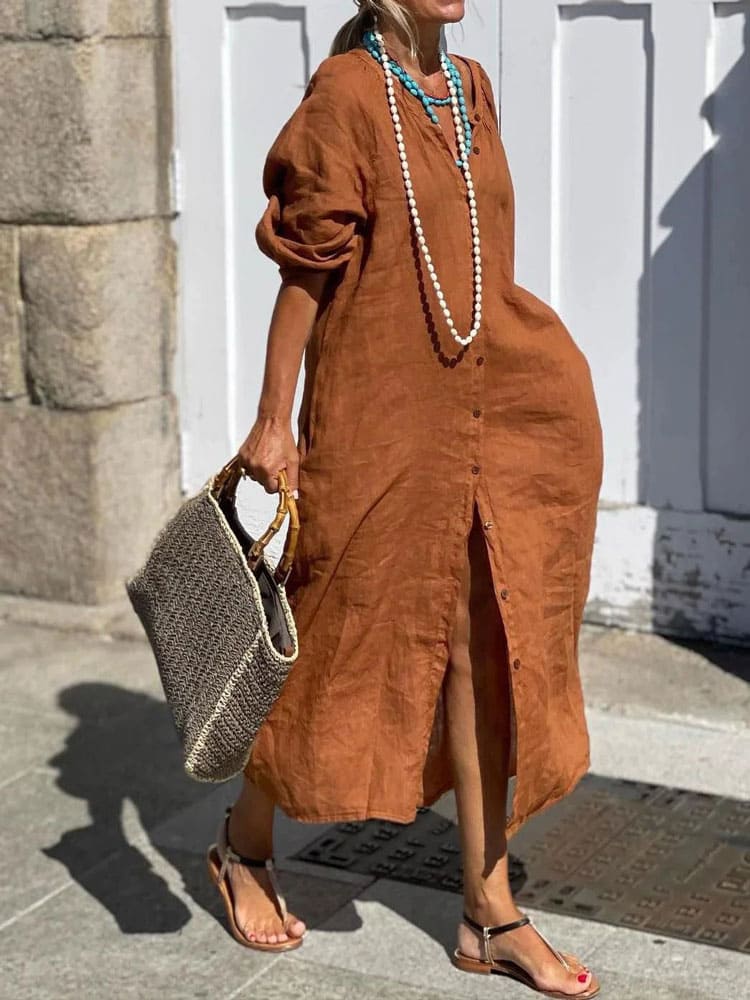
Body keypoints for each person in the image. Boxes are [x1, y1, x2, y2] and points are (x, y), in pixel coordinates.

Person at [206, 2, 603, 996]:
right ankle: (243, 844)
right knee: (333, 632)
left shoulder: (468, 86)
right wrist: (271, 420)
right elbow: (307, 268)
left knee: (487, 639)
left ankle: (488, 910)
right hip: (379, 403)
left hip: (487, 400)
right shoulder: (344, 93)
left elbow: (476, 253)